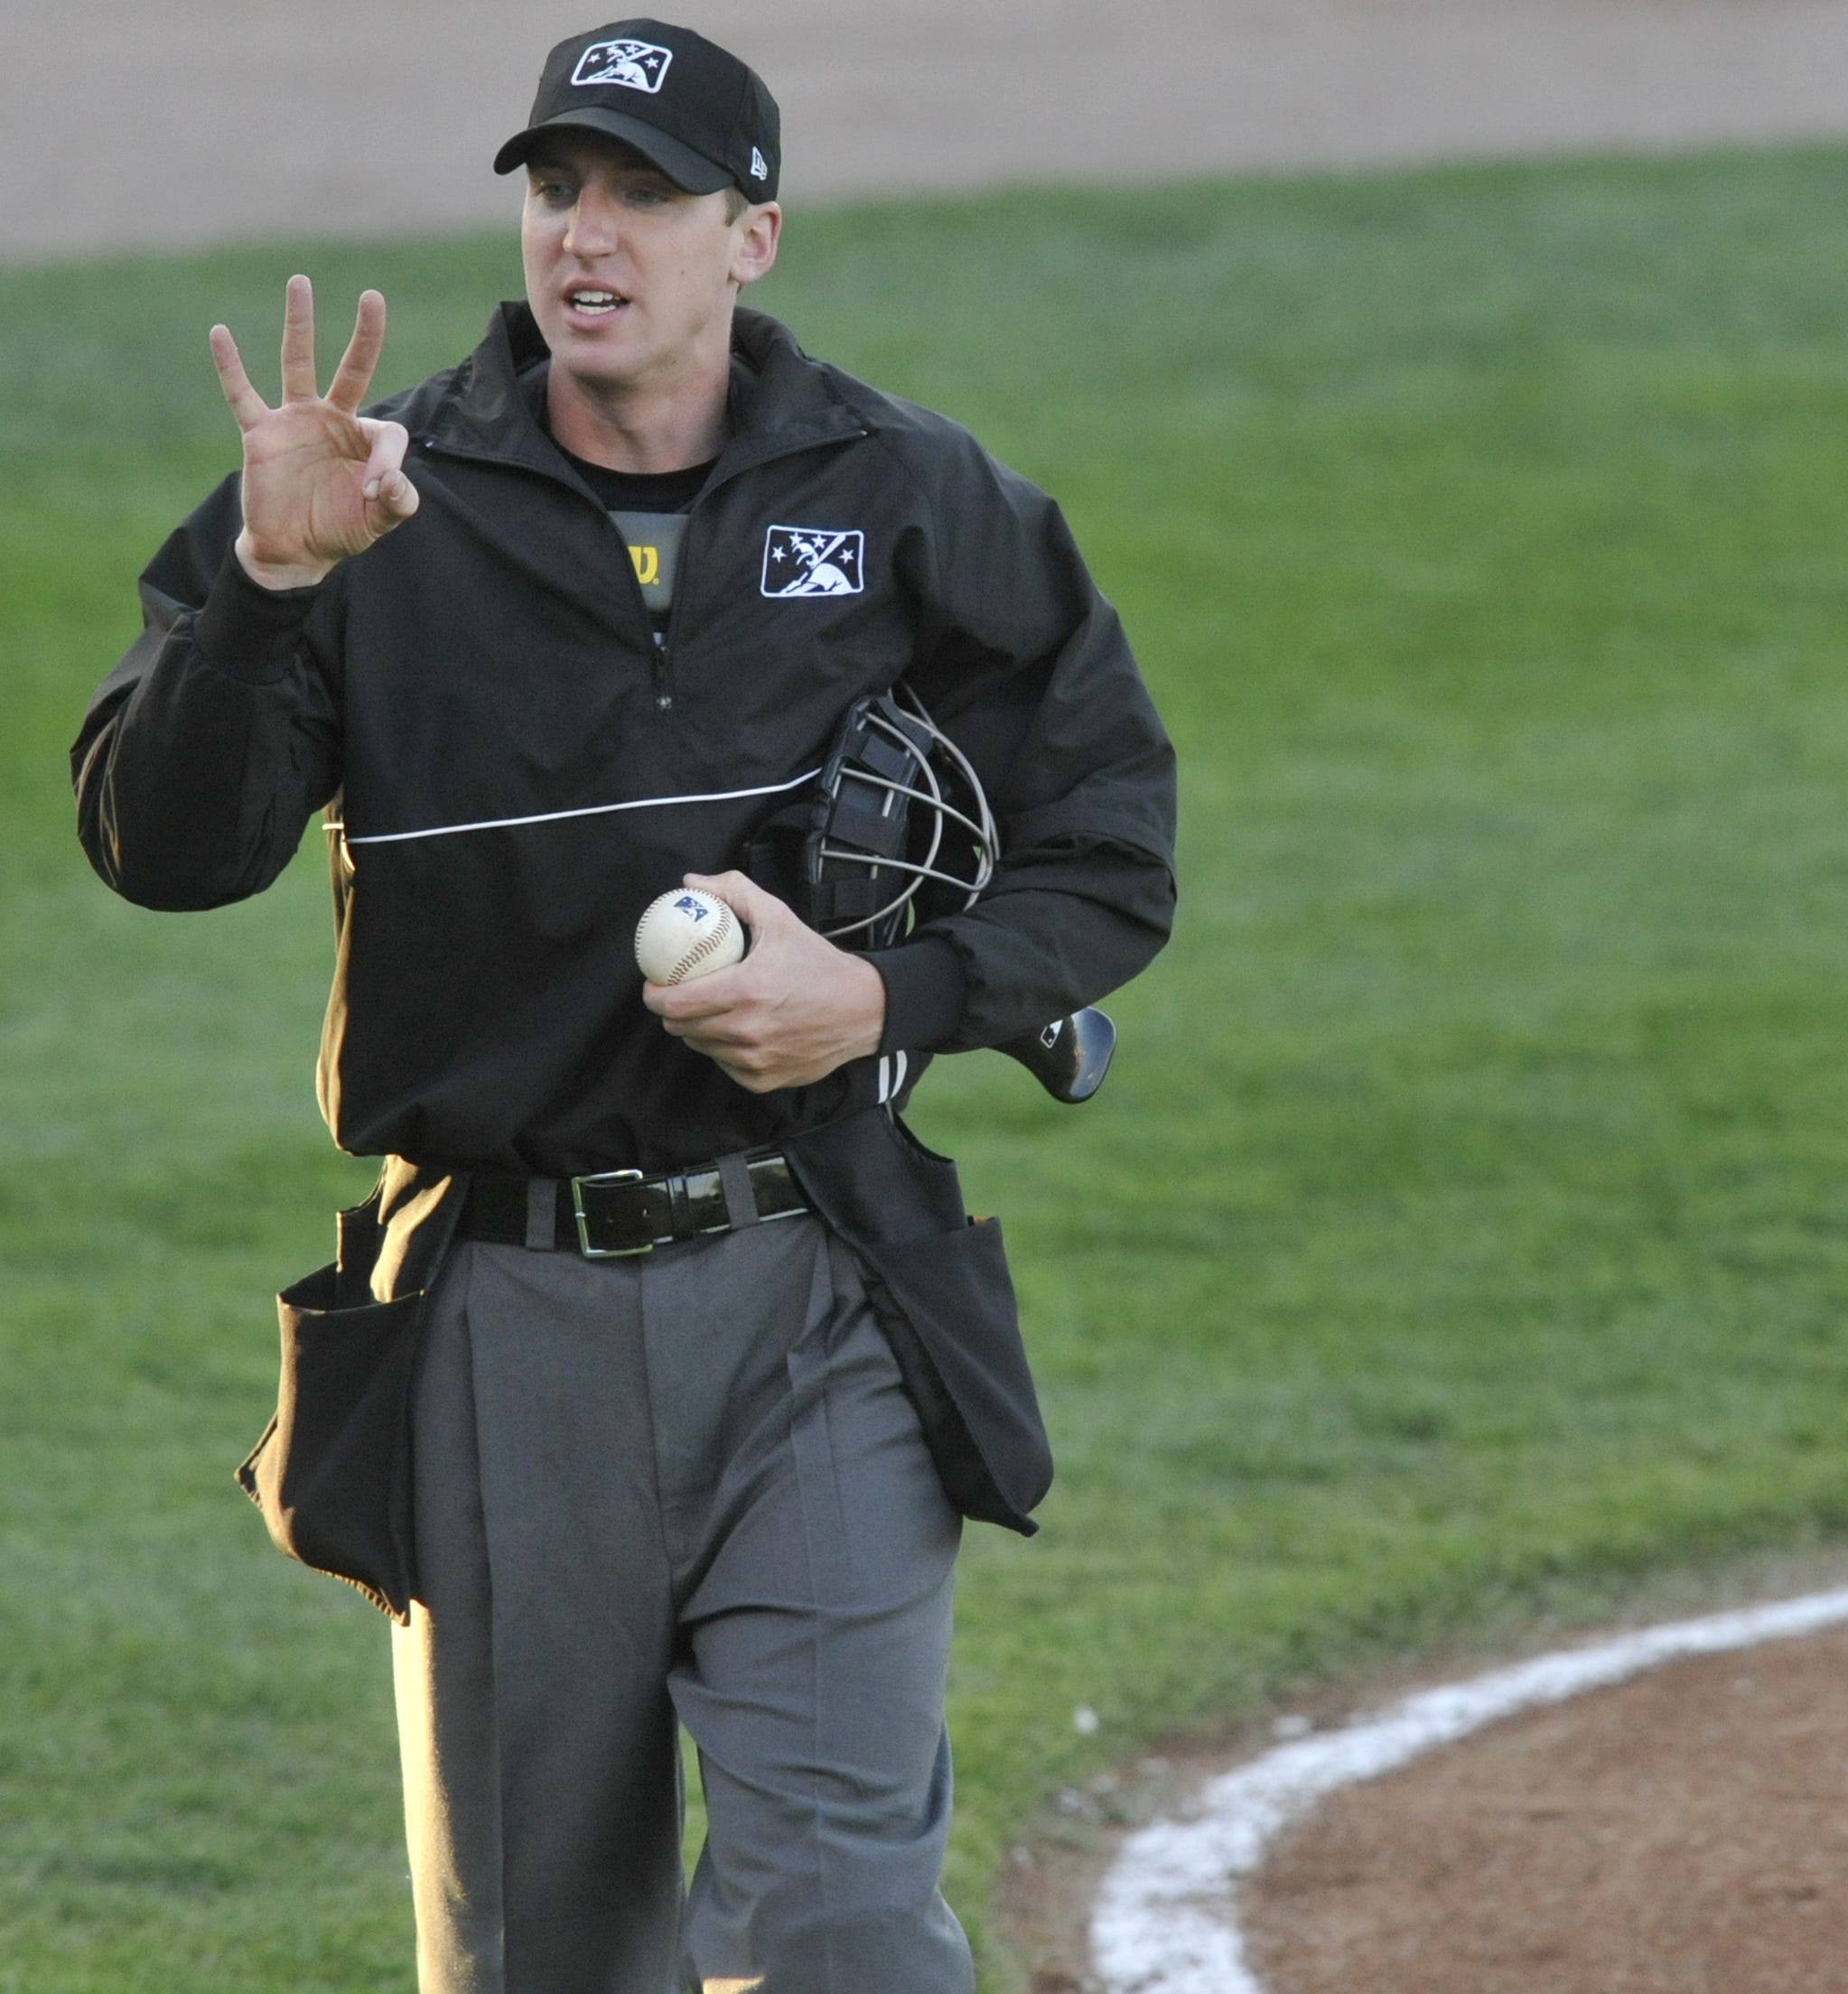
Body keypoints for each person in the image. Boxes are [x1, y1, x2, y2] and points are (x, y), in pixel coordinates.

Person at [68, 18, 1176, 1993]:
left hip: (818, 1290)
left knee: (844, 1930)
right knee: (539, 1957)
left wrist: (894, 1002)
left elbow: (1111, 840)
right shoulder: (375, 504)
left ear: (751, 236)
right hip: (507, 1326)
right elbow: (163, 847)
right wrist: (262, 589)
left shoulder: (906, 491)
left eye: (646, 195)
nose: (589, 235)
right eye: (557, 188)